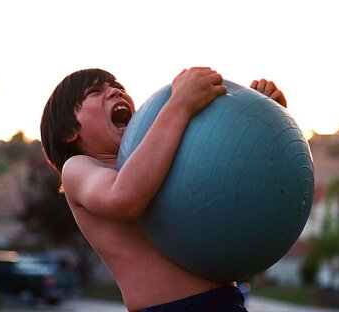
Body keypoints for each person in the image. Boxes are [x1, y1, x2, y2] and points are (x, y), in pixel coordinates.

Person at [40, 67, 287, 311]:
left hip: (226, 301)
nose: (115, 92)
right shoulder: (78, 168)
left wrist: (262, 122)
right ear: (69, 131)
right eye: (95, 91)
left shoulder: (161, 160)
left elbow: (232, 177)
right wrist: (179, 105)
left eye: (117, 87)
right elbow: (124, 197)